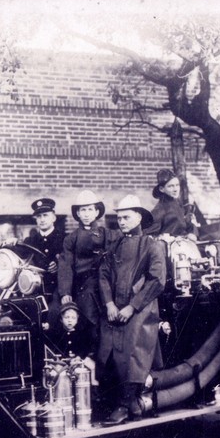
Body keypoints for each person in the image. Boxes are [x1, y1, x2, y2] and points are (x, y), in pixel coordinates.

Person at [98, 195, 167, 425]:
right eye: (118, 218)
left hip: (142, 310)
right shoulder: (114, 246)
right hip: (115, 309)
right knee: (106, 349)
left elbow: (157, 281)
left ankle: (127, 403)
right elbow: (104, 274)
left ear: (139, 217)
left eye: (126, 217)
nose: (122, 222)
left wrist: (131, 307)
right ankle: (117, 401)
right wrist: (109, 303)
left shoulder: (152, 246)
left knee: (131, 349)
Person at [58, 190, 113, 339]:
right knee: (87, 318)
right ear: (78, 213)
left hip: (105, 282)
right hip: (83, 285)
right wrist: (65, 292)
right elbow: (66, 265)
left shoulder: (107, 234)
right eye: (83, 210)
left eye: (90, 209)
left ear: (96, 212)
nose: (87, 214)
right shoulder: (71, 238)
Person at [21, 197, 65, 309]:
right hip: (35, 291)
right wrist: (11, 243)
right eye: (39, 216)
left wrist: (59, 264)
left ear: (54, 217)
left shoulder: (65, 239)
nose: (42, 219)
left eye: (45, 215)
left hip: (58, 291)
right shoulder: (30, 241)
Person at [145, 169, 200, 240]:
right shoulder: (159, 210)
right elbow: (150, 237)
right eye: (170, 186)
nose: (175, 189)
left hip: (186, 243)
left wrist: (193, 234)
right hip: (170, 247)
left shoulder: (178, 204)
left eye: (177, 185)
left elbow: (188, 224)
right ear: (162, 189)